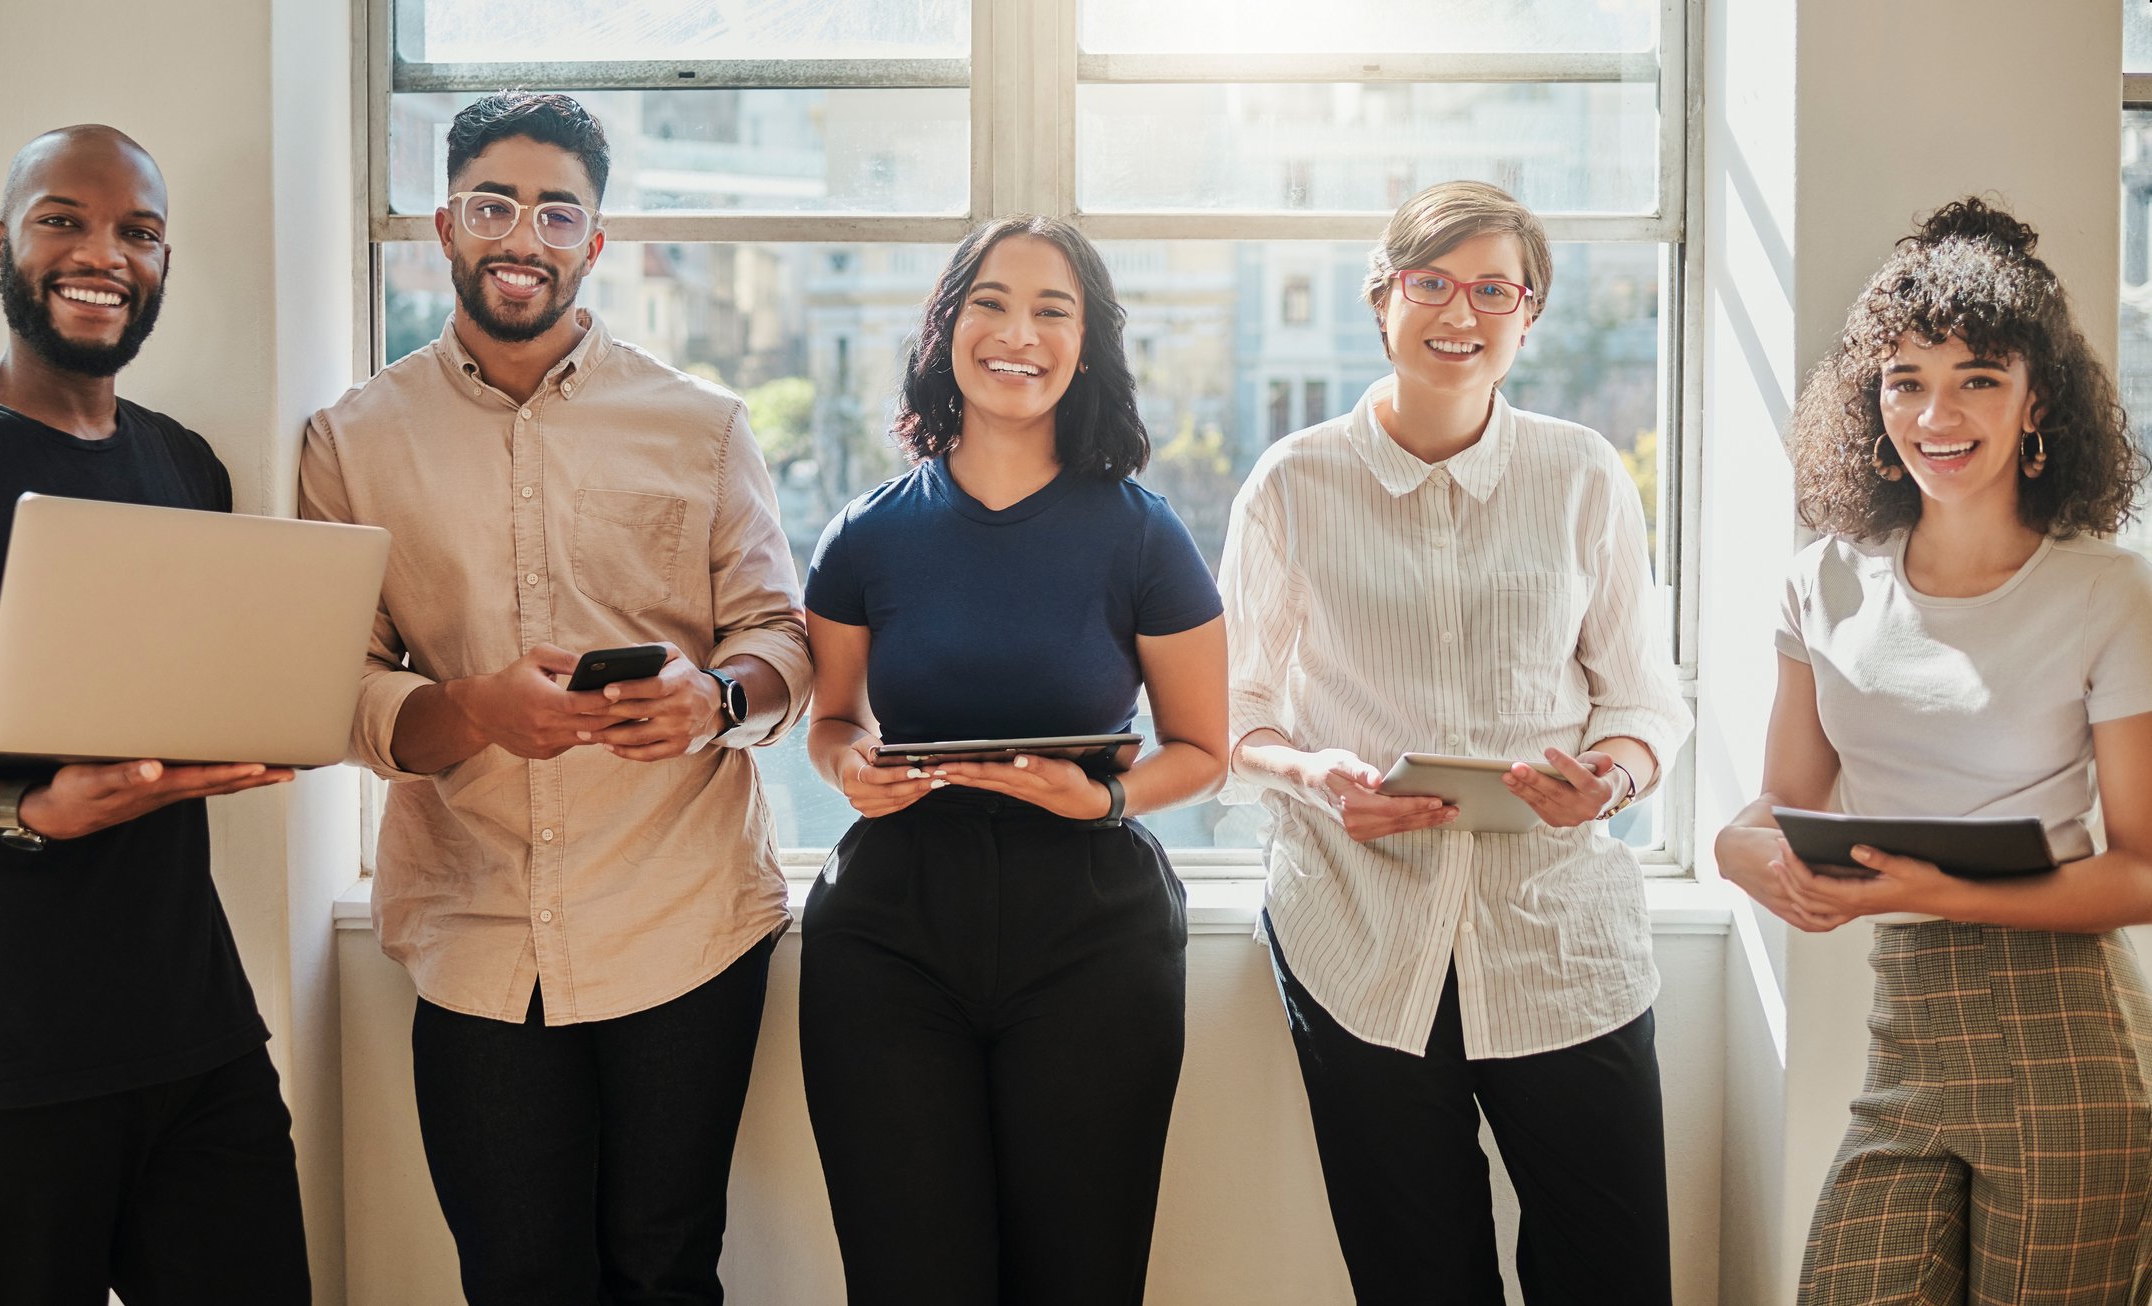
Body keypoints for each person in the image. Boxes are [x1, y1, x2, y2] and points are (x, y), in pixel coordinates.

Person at [298, 91, 810, 1306]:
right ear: (444, 225)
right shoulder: (354, 439)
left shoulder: (699, 423)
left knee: (665, 1268)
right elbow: (334, 687)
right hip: (472, 930)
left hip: (681, 920)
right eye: (493, 204)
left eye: (553, 211)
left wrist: (715, 700)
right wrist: (472, 707)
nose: (520, 235)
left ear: (595, 239)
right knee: (518, 1276)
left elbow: (777, 634)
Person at [1216, 180, 1690, 1305]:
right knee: (1415, 1279)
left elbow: (1642, 703)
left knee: (1610, 1274)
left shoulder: (1581, 474)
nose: (1458, 312)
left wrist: (1608, 781)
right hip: (1356, 932)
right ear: (1379, 300)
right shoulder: (1291, 482)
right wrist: (1313, 777)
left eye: (1492, 288)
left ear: (1529, 315)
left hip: (1559, 942)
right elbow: (1231, 715)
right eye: (1429, 282)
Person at [0, 126, 310, 1305]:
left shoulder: (186, 467)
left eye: (138, 231)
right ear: (3, 244)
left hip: (193, 1031)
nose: (103, 252)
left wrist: (261, 725)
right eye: (65, 219)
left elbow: (178, 694)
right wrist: (27, 809)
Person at [1715, 198, 2152, 1305]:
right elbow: (1780, 804)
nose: (1934, 413)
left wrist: (1936, 889)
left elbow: (2140, 870)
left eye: (1976, 378)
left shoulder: (2105, 590)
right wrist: (1738, 851)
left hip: (2061, 1037)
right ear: (1870, 397)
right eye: (1904, 378)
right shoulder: (1821, 577)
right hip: (1904, 1031)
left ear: (2034, 399)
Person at [797, 215, 1228, 1305]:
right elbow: (830, 717)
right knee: (909, 1278)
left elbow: (1203, 750)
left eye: (1051, 309)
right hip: (889, 932)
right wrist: (850, 770)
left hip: (1092, 926)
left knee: (1080, 1276)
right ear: (946, 328)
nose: (1017, 333)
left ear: (1087, 343)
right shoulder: (864, 535)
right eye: (988, 302)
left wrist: (1104, 796)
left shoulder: (1142, 534)